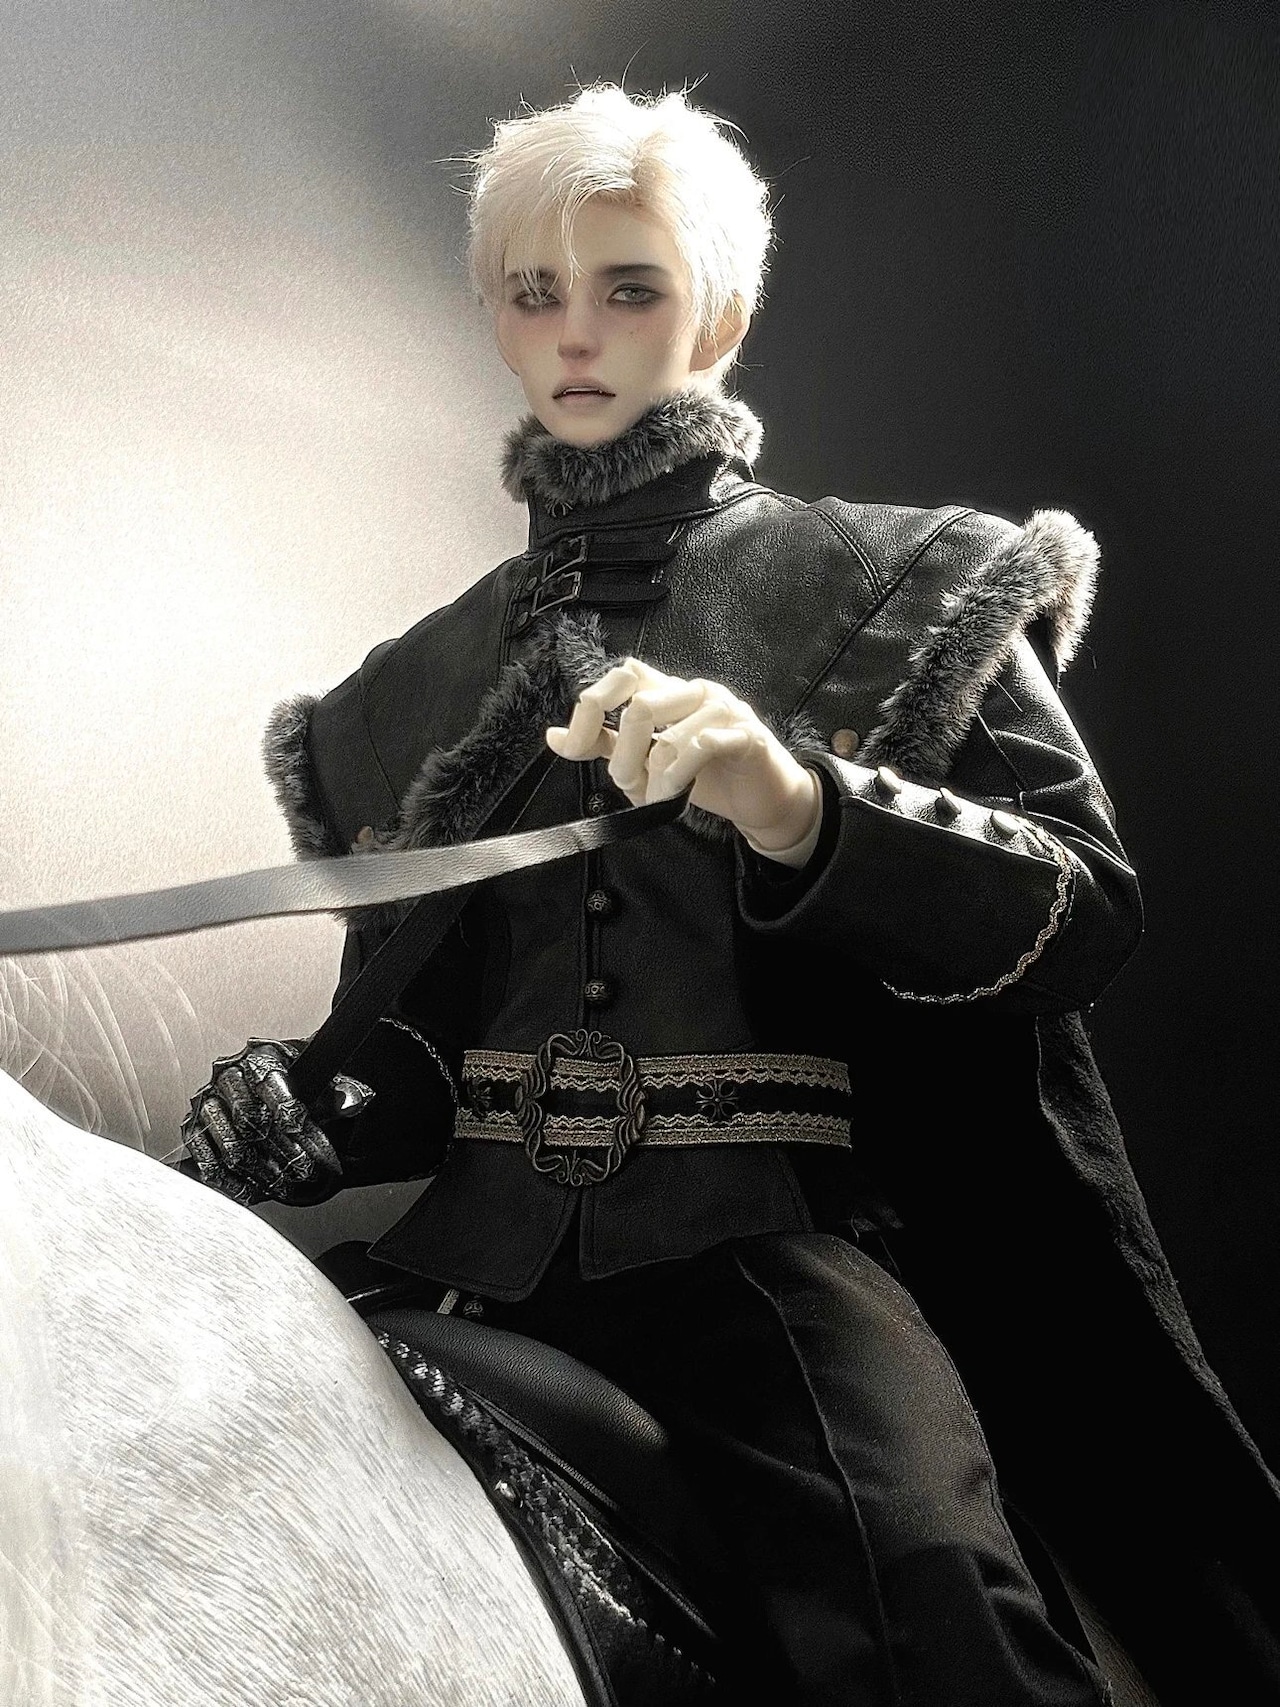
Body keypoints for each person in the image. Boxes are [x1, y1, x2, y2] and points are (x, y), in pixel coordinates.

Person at [181, 83, 1280, 1707]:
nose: (576, 333)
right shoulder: (403, 691)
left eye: (627, 288)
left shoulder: (912, 582)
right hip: (470, 1257)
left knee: (931, 1600)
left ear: (721, 314)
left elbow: (1082, 907)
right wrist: (314, 1109)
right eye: (534, 293)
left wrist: (801, 806)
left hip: (758, 1259)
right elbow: (412, 1047)